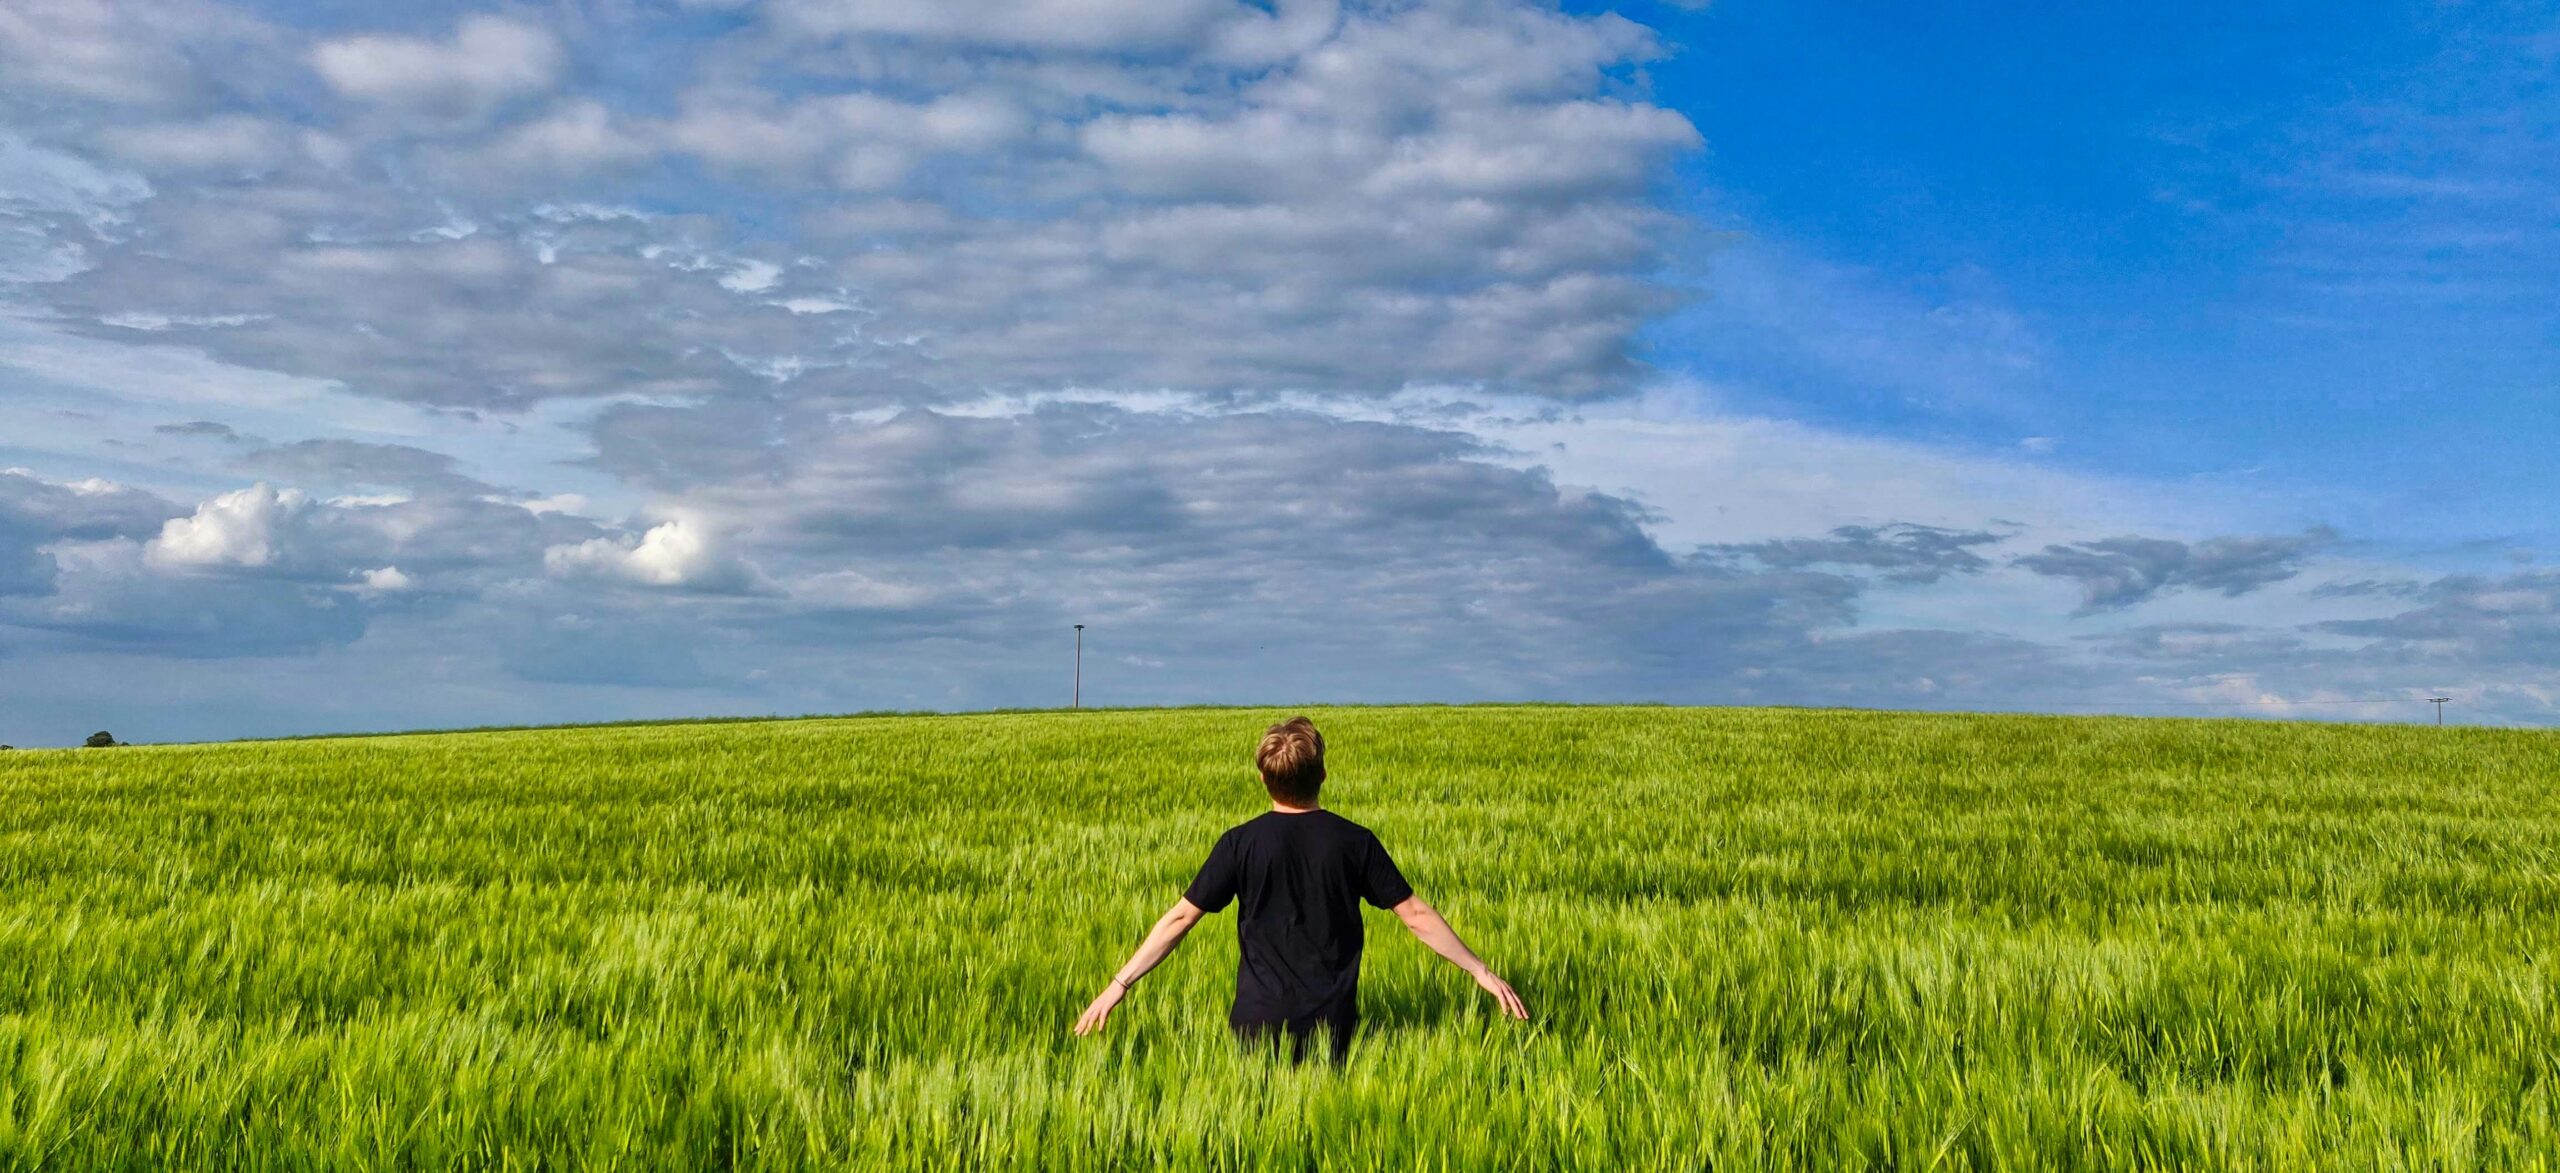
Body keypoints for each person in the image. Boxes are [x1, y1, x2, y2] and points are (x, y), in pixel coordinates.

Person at [1072, 716, 1529, 1064]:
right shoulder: (1355, 842)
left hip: (1256, 1025)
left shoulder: (1240, 844)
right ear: (1323, 776)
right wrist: (1479, 970)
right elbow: (1415, 915)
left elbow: (1179, 920)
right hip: (1331, 1027)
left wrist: (1119, 985)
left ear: (1262, 779)